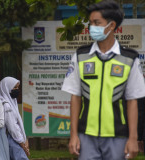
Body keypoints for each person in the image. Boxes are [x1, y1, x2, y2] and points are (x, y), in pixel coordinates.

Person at [61, 0, 145, 159]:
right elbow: (75, 97)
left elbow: (133, 101)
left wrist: (133, 138)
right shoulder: (81, 56)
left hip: (118, 136)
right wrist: (73, 135)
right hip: (86, 135)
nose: (91, 27)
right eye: (90, 23)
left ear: (112, 25)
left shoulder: (129, 58)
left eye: (96, 23)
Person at [0, 77, 30, 160]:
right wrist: (22, 144)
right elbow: (12, 127)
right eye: (14, 87)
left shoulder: (12, 101)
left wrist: (25, 140)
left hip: (16, 139)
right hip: (14, 140)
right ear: (6, 88)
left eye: (17, 87)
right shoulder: (6, 105)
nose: (17, 90)